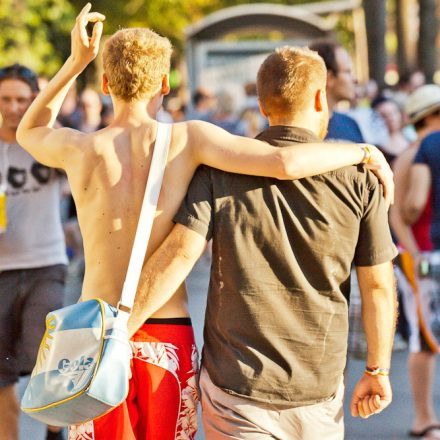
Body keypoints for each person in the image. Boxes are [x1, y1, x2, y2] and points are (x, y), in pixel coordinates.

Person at [17, 6, 393, 440]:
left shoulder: (81, 150)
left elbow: (31, 129)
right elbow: (283, 161)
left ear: (104, 84)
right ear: (165, 83)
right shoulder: (187, 139)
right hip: (165, 334)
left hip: (97, 337)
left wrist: (75, 61)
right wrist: (363, 152)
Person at [130, 46, 398, 439]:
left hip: (236, 389)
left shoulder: (220, 171)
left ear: (261, 105)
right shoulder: (359, 180)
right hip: (318, 389)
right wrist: (378, 370)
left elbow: (179, 255)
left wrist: (118, 329)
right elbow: (377, 285)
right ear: (321, 98)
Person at [0, 64, 67, 440]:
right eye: (6, 99)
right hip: (1, 270)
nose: (14, 107)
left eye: (22, 100)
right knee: (1, 378)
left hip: (46, 264)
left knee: (52, 359)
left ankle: (54, 432)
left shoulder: (48, 143)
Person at [400, 86, 440, 439]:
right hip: (421, 256)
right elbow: (401, 212)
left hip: (426, 254)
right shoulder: (411, 154)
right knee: (424, 337)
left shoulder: (423, 151)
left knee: (426, 337)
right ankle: (424, 417)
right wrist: (414, 253)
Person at [309, 39, 364, 143]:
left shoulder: (350, 124)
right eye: (348, 72)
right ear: (329, 78)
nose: (355, 79)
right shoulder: (298, 130)